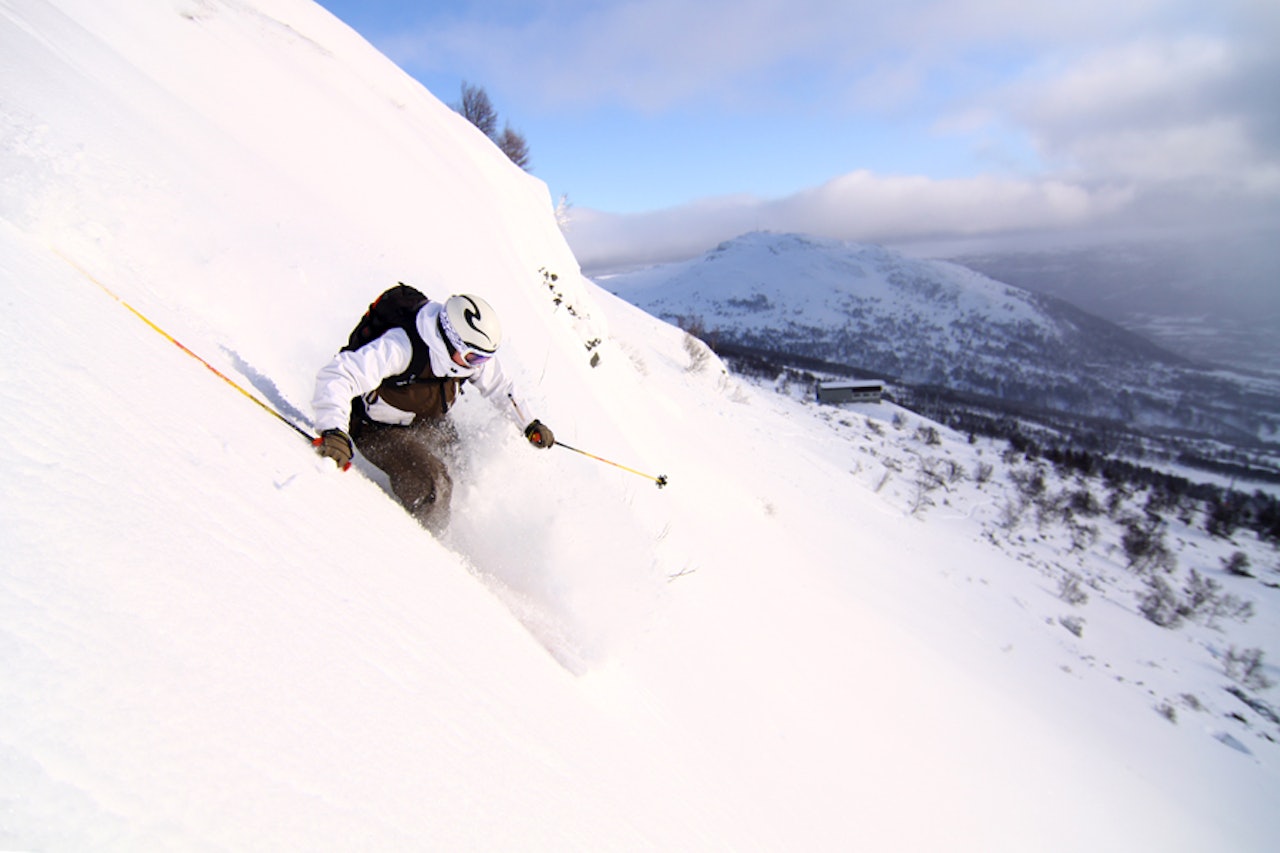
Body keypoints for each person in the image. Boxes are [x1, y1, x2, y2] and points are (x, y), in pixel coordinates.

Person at [312, 290, 554, 532]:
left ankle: (458, 528)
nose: (478, 365)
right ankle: (431, 544)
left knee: (462, 467)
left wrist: (529, 423)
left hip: (425, 419)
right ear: (451, 341)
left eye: (483, 359)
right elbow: (340, 374)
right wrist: (334, 431)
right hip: (377, 428)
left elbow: (502, 388)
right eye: (474, 357)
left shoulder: (466, 358)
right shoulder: (402, 346)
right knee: (435, 485)